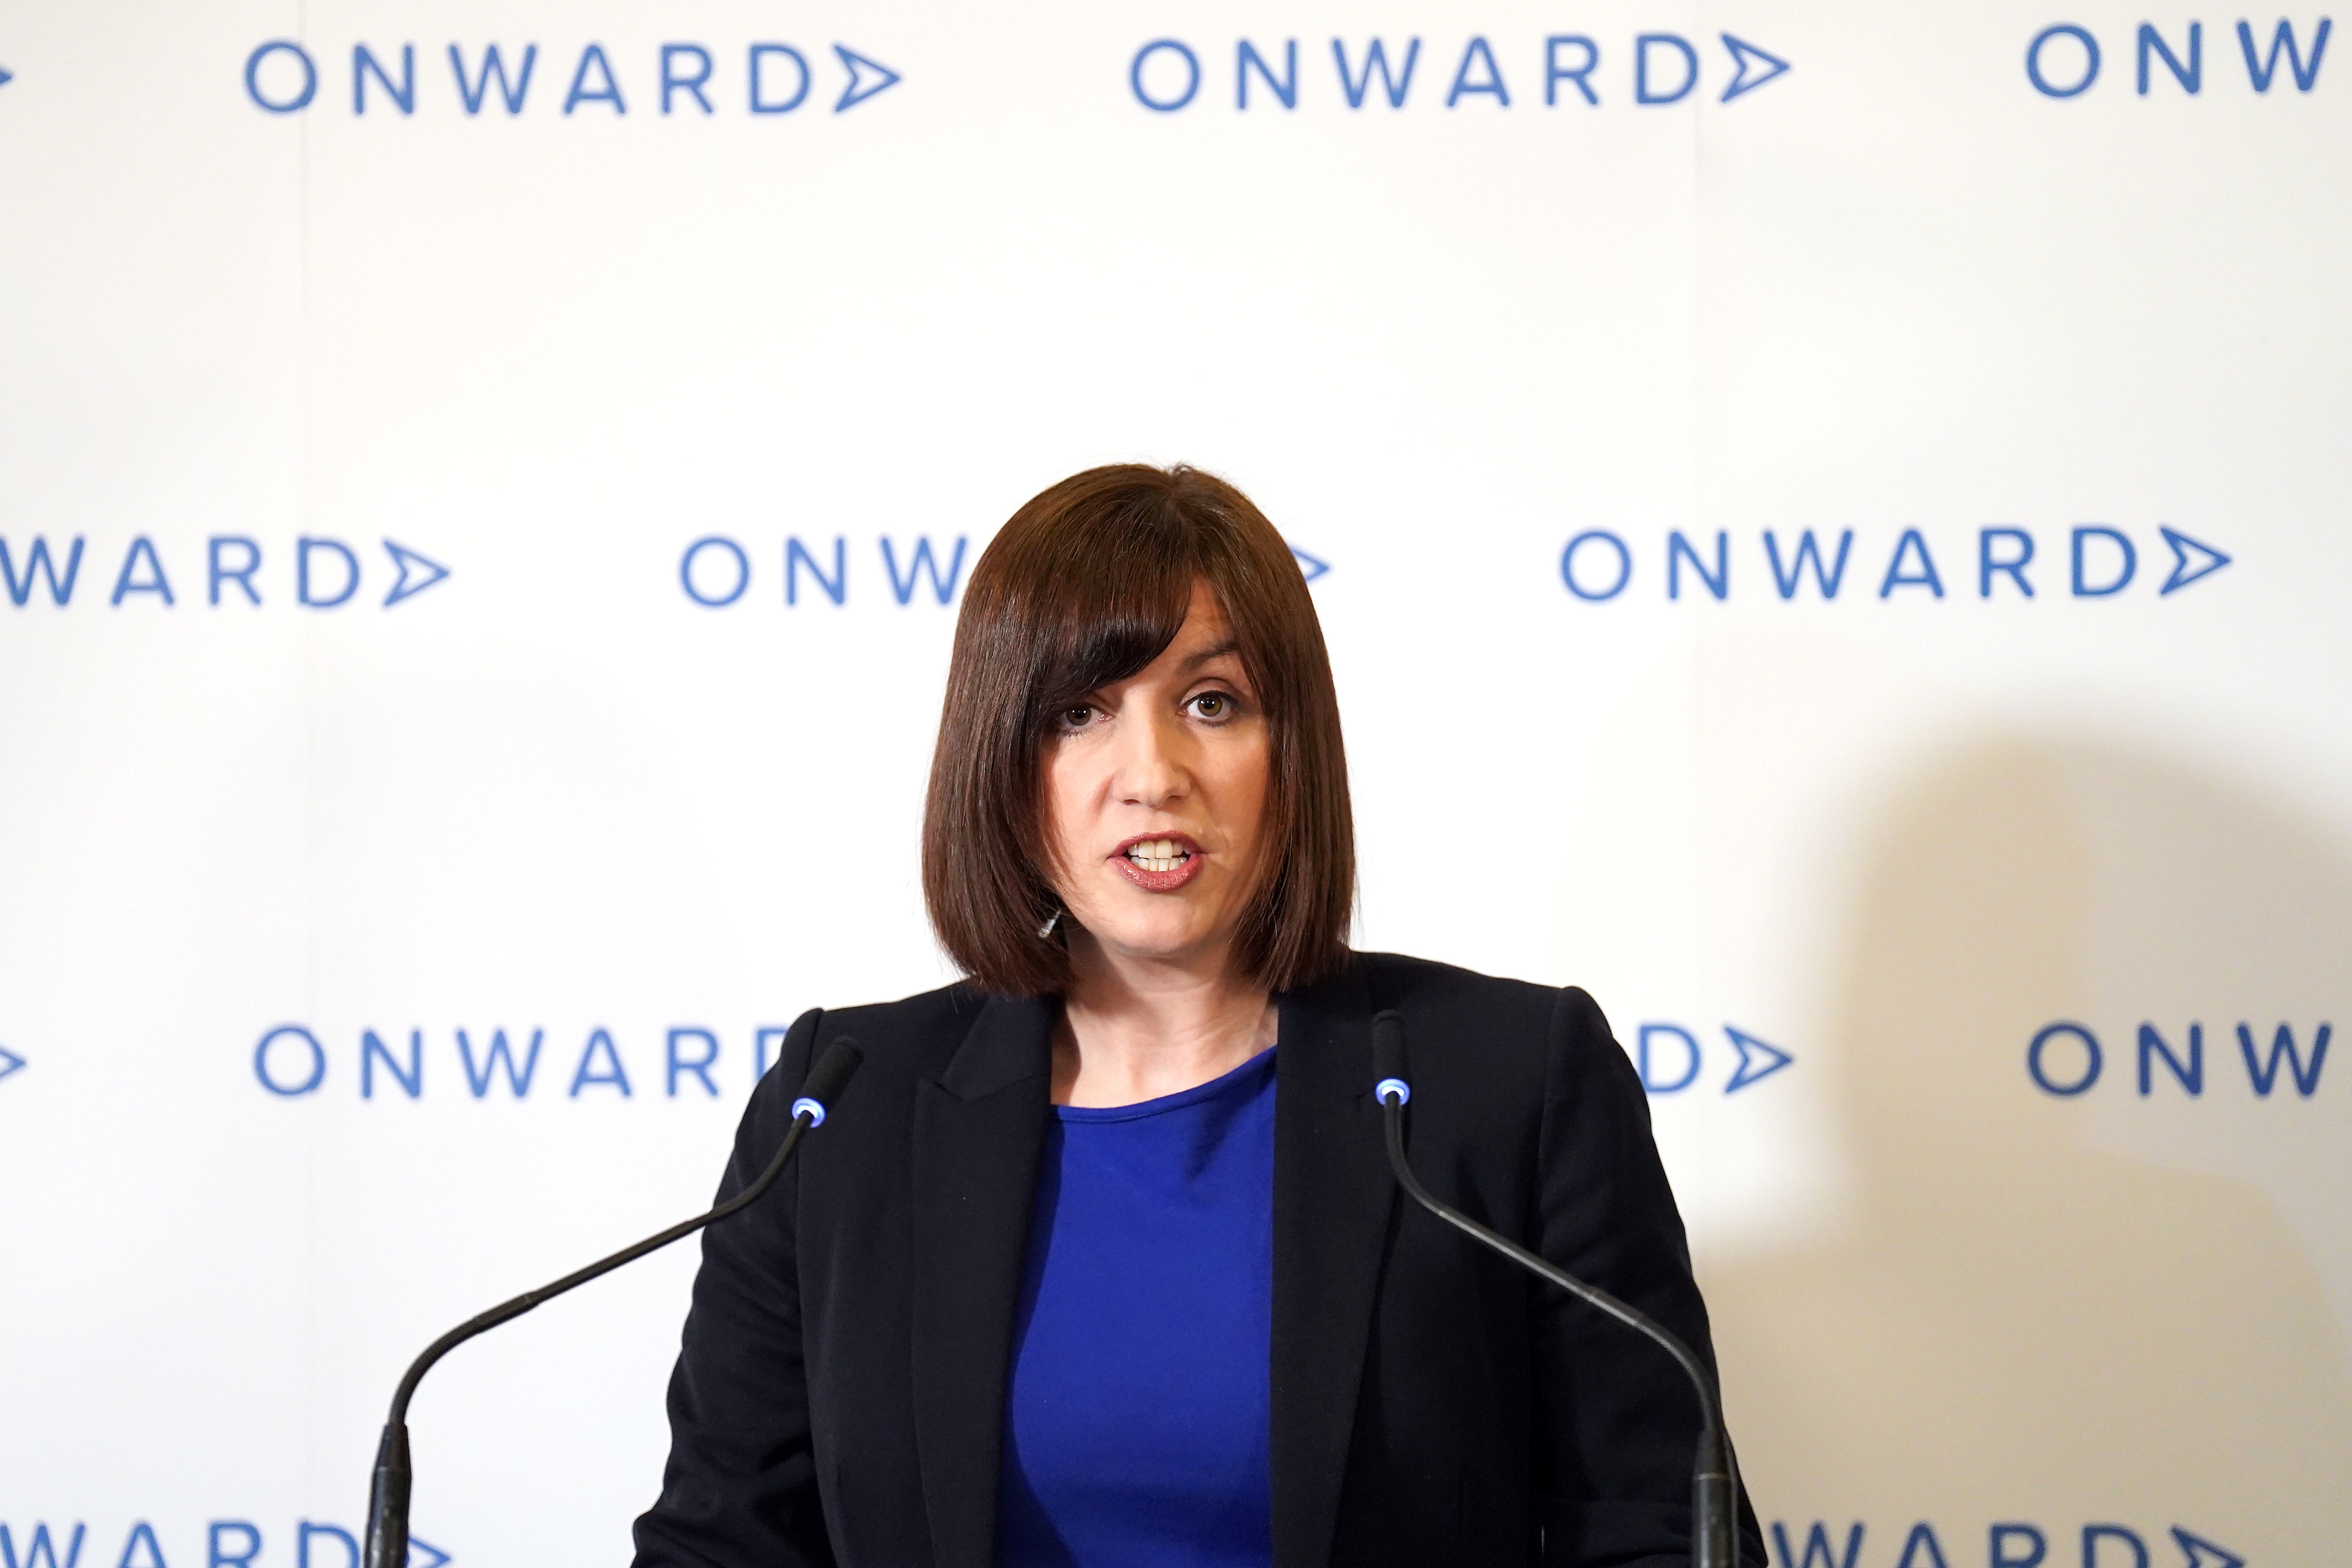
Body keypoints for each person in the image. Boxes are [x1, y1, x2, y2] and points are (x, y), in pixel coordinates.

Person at [630, 464, 1765, 1568]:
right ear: (998, 762)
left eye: (1211, 703)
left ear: (1292, 750)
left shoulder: (1509, 1085)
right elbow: (722, 1543)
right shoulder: (839, 1104)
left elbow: (1662, 1533)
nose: (1153, 772)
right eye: (1078, 712)